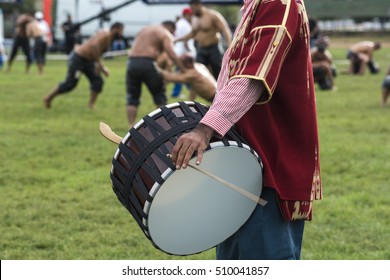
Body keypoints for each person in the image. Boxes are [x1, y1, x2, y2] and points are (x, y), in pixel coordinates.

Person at [171, 0, 322, 260]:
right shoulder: (255, 6)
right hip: (246, 156)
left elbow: (253, 77)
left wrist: (205, 129)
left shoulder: (277, 3)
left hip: (268, 161)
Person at [43, 22, 124, 109]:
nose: (122, 33)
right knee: (70, 84)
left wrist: (98, 65)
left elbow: (98, 49)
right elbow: (94, 45)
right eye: (121, 30)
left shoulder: (108, 37)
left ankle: (91, 104)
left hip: (89, 61)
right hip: (79, 59)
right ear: (115, 29)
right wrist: (100, 64)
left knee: (97, 81)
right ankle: (48, 98)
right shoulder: (106, 35)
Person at [125, 20, 186, 127]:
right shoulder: (165, 33)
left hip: (132, 63)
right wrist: (182, 68)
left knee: (132, 97)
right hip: (148, 63)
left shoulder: (144, 29)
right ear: (171, 28)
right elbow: (171, 53)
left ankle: (131, 125)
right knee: (160, 96)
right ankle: (162, 125)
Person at [175, 0, 232, 80]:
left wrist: (229, 47)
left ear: (198, 5)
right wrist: (177, 40)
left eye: (193, 8)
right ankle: (204, 91)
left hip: (213, 48)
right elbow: (192, 34)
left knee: (218, 72)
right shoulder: (195, 18)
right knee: (198, 72)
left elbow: (225, 30)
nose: (192, 11)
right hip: (201, 49)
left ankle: (221, 90)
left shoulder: (213, 15)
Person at [171, 7, 196, 98]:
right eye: (190, 15)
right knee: (182, 72)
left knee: (183, 72)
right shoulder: (186, 25)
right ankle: (176, 92)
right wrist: (189, 50)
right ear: (186, 15)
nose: (191, 17)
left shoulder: (178, 23)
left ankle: (186, 90)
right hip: (184, 53)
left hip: (178, 51)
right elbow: (186, 39)